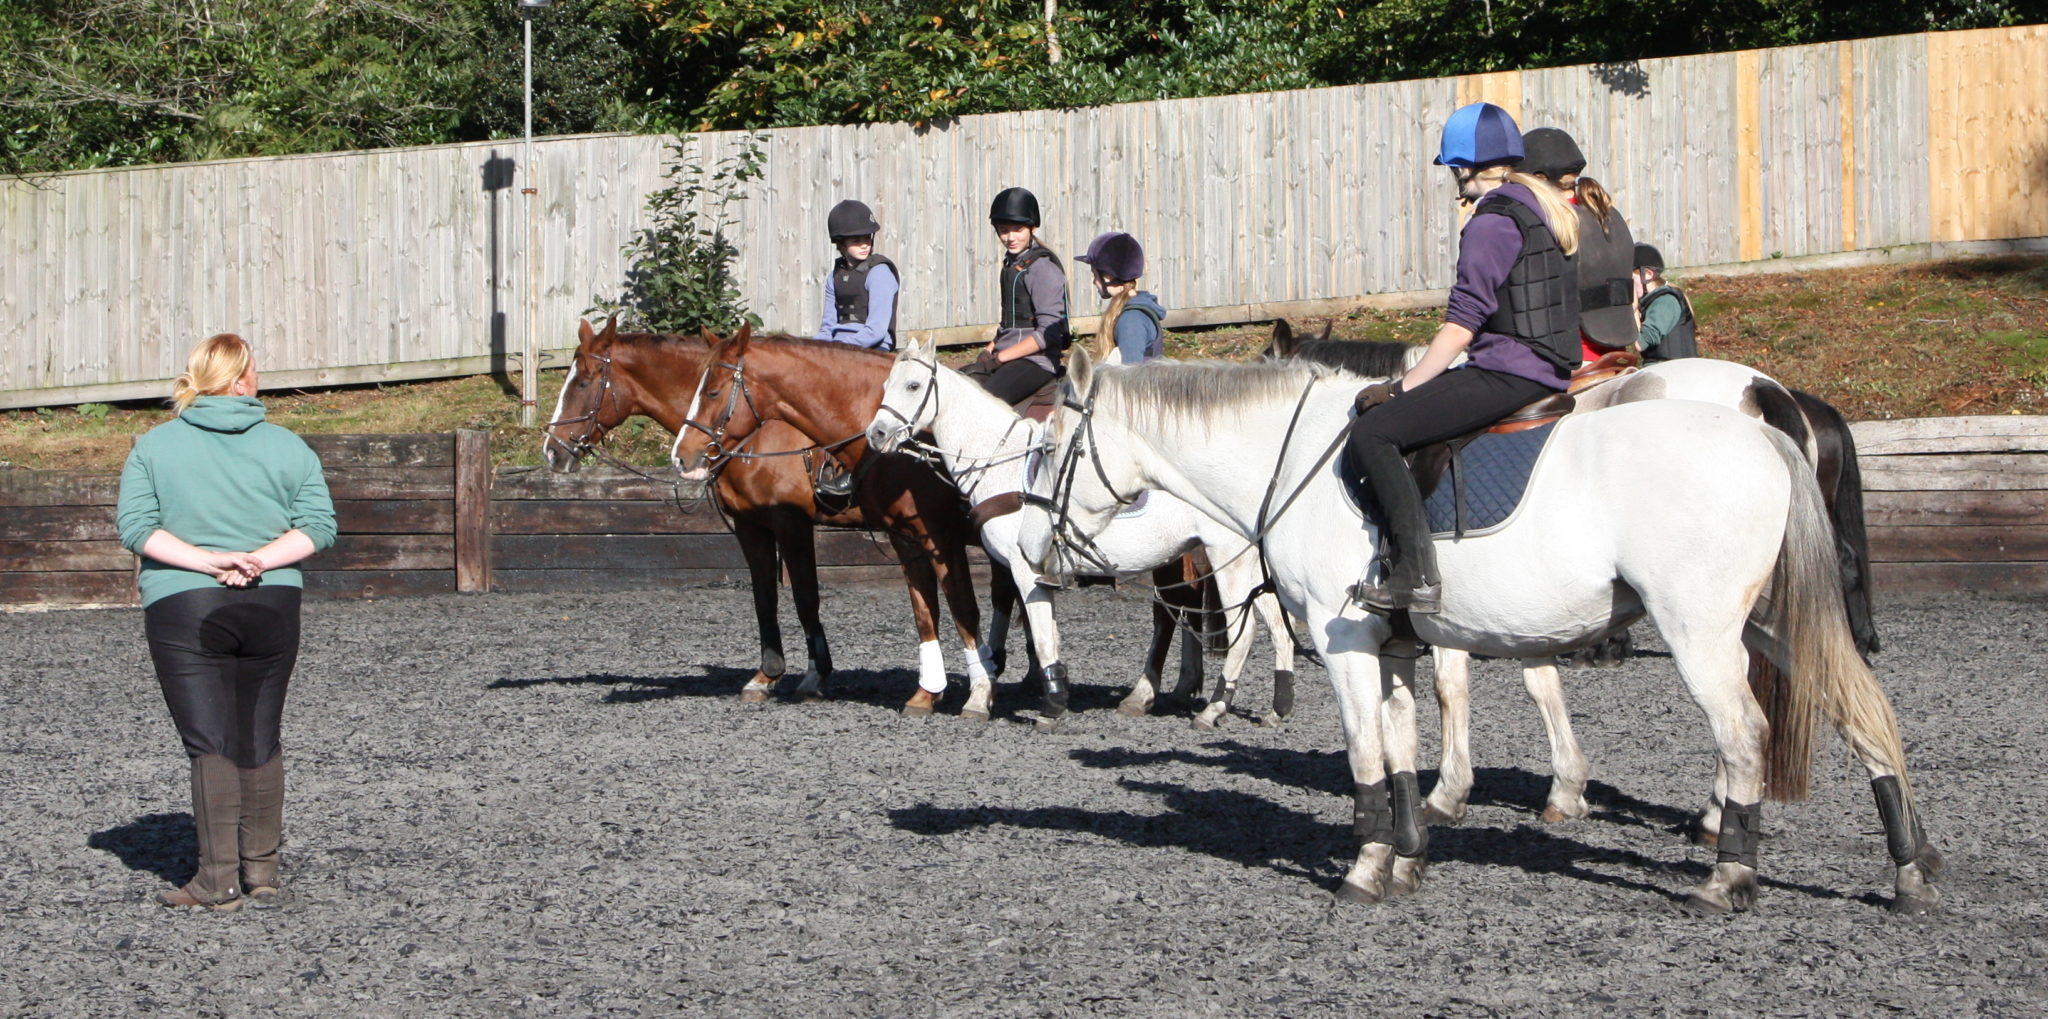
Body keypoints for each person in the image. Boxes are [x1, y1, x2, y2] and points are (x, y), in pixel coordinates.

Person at [116, 333, 336, 911]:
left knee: (209, 741)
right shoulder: (290, 446)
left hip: (185, 604)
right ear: (240, 380)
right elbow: (318, 526)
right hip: (271, 603)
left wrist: (208, 560)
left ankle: (217, 879)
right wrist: (259, 559)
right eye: (255, 370)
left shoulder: (154, 446)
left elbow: (138, 529)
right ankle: (261, 868)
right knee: (259, 734)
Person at [1343, 102, 1580, 614]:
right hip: (1549, 367)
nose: (1455, 178)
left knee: (1374, 432)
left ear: (1465, 166)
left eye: (1454, 168)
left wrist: (1403, 387)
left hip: (1508, 372)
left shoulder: (1491, 221)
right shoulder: (1541, 203)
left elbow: (1461, 325)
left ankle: (1414, 574)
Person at [1519, 127, 1637, 363]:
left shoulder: (1550, 221)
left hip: (1569, 355)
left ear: (1537, 178)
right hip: (1617, 348)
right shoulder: (1606, 213)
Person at [972, 186, 1069, 404]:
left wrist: (1000, 358)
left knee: (985, 404)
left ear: (1032, 228)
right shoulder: (1012, 265)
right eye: (1004, 230)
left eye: (1018, 229)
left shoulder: (1043, 269)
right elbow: (1010, 323)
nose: (1010, 237)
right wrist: (989, 350)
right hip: (1007, 354)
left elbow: (1048, 335)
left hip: (1038, 361)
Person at [813, 199, 898, 351]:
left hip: (874, 348)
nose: (864, 244)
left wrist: (840, 349)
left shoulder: (879, 273)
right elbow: (827, 328)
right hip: (839, 347)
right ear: (841, 243)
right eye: (856, 240)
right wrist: (811, 349)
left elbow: (876, 331)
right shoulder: (834, 277)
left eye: (867, 238)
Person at [1074, 231, 1164, 365]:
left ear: (1109, 276)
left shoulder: (1132, 320)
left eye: (1095, 275)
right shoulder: (1129, 311)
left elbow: (1130, 376)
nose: (1094, 282)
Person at [1632, 243, 1698, 361]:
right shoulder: (1654, 301)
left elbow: (1640, 344)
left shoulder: (1666, 301)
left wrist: (1633, 308)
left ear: (1647, 274)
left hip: (1672, 372)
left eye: (1631, 277)